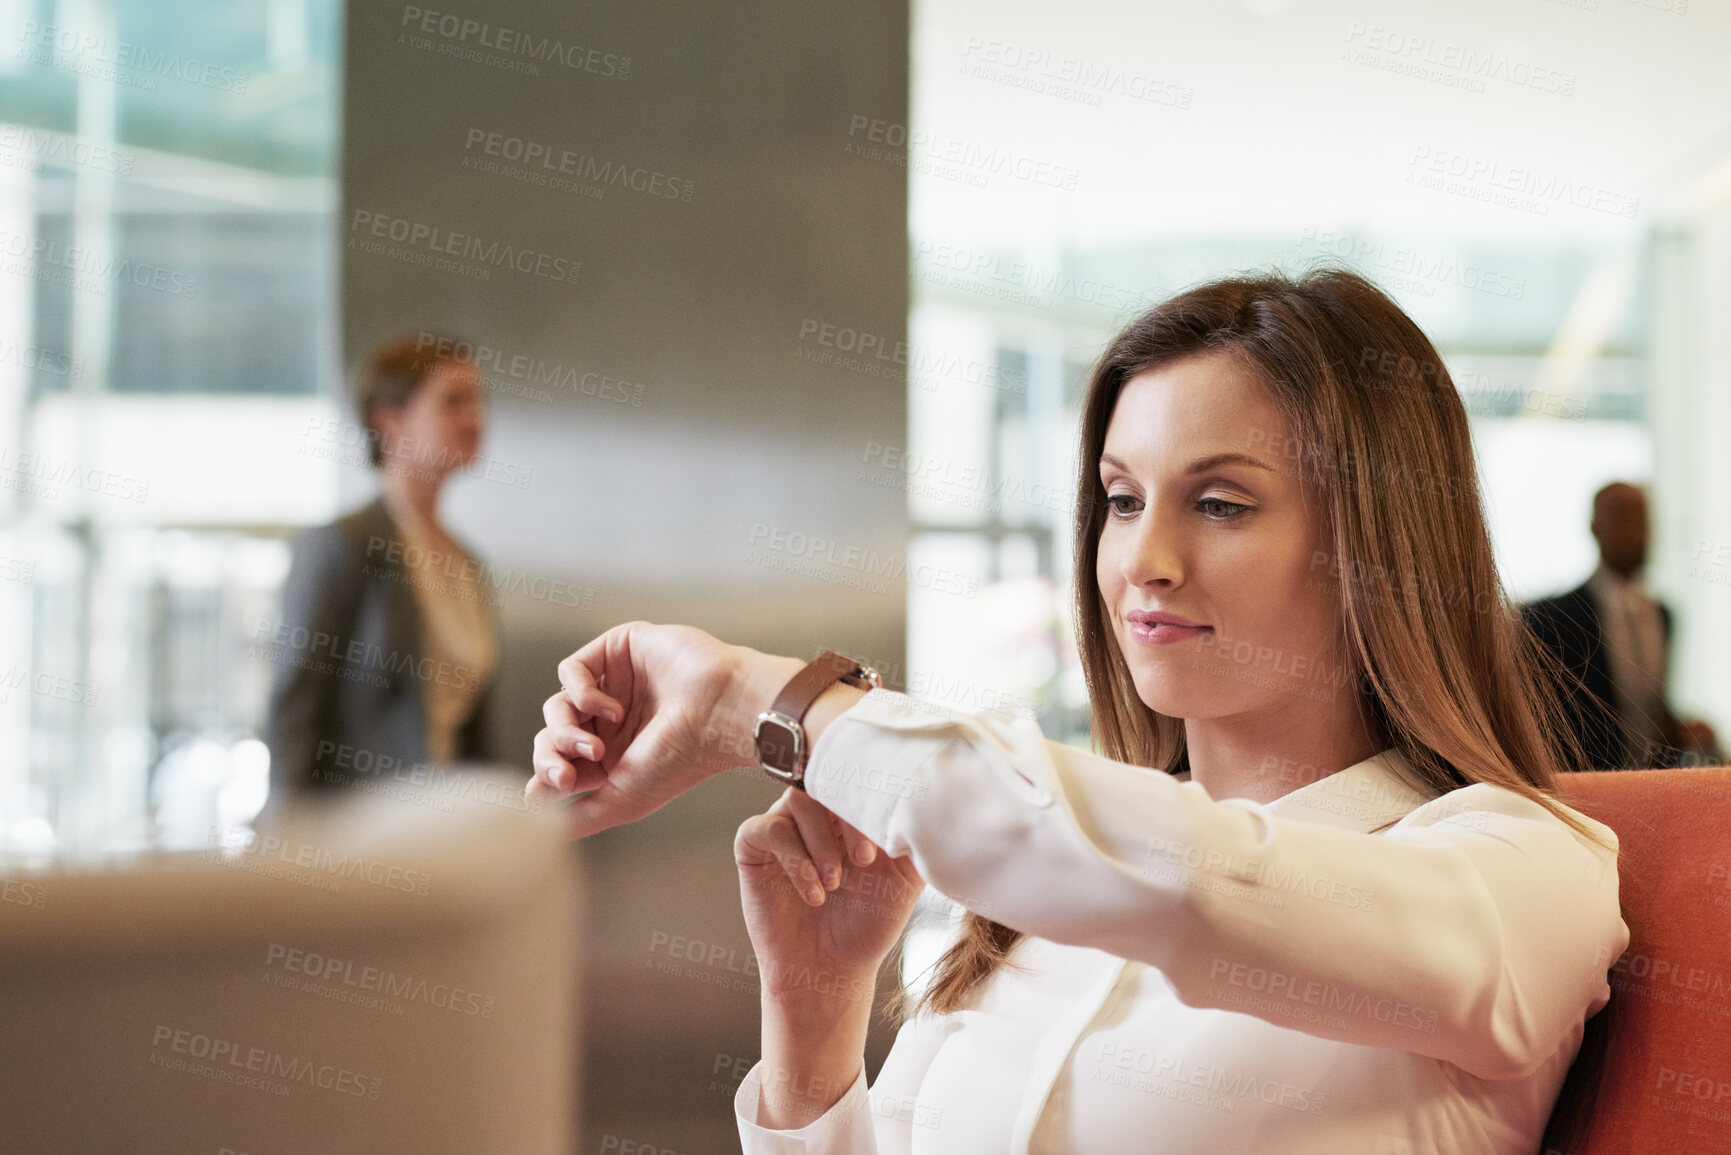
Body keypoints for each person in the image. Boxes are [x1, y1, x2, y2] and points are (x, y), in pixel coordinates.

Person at [529, 271, 1628, 1154]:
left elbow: (1207, 889)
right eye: (1119, 499)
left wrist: (758, 703)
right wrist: (815, 1033)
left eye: (1218, 503)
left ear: (1373, 549)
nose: (1143, 561)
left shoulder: (1529, 874)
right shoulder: (1030, 911)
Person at [265, 334, 500, 806]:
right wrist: (286, 849)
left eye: (477, 401)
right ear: (389, 420)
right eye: (453, 402)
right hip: (358, 843)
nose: (475, 419)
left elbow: (475, 735)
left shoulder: (468, 564)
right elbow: (294, 708)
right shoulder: (340, 545)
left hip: (447, 834)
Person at [1523, 482, 1719, 770]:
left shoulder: (1663, 615)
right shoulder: (1554, 618)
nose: (1637, 531)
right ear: (1595, 526)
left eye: (1644, 519)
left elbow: (1650, 709)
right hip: (1586, 787)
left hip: (1652, 785)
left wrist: (1683, 732)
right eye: (1623, 518)